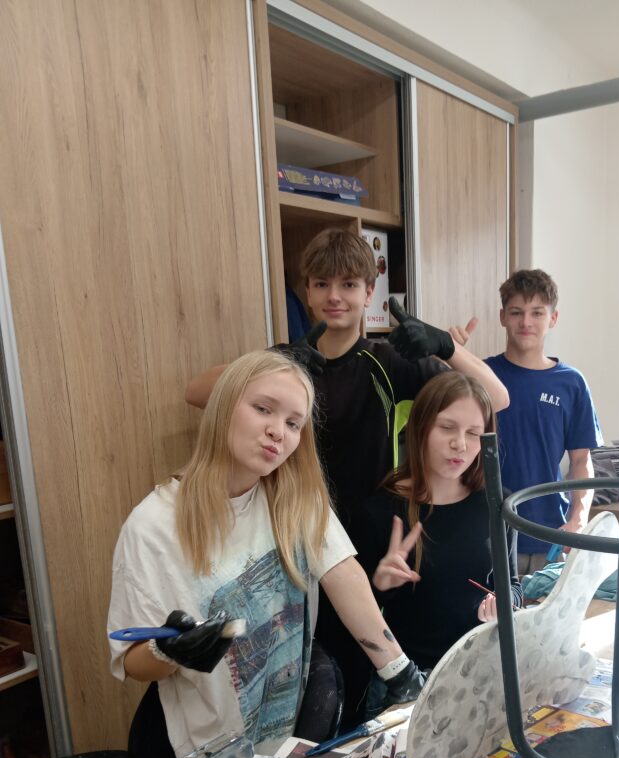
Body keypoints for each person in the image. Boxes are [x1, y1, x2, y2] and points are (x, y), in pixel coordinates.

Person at [185, 228, 509, 726]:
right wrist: (268, 365)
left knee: (363, 670)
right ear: (307, 291)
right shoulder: (289, 364)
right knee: (302, 674)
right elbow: (196, 392)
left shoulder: (389, 361)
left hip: (367, 542)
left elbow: (496, 398)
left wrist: (445, 346)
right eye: (321, 284)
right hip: (293, 535)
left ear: (369, 291)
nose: (334, 296)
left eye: (349, 284)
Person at [108, 349, 426, 758]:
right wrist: (169, 652)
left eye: (293, 424)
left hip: (279, 744)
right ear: (224, 406)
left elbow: (342, 573)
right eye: (263, 409)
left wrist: (399, 671)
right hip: (201, 755)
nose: (278, 432)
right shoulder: (152, 526)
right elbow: (132, 663)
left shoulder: (295, 499)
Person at [350, 373, 523, 673]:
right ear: (420, 427)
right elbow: (355, 618)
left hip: (483, 669)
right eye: (446, 428)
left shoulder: (497, 504)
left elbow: (513, 584)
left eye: (473, 433)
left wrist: (505, 603)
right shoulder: (378, 511)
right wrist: (379, 585)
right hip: (410, 679)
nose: (460, 444)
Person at [453, 269, 602, 575]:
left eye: (537, 313)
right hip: (488, 533)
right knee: (492, 608)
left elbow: (581, 460)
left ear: (553, 318)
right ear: (502, 317)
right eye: (516, 312)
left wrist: (579, 517)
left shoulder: (571, 383)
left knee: (549, 608)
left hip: (551, 535)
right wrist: (450, 355)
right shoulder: (481, 376)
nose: (526, 322)